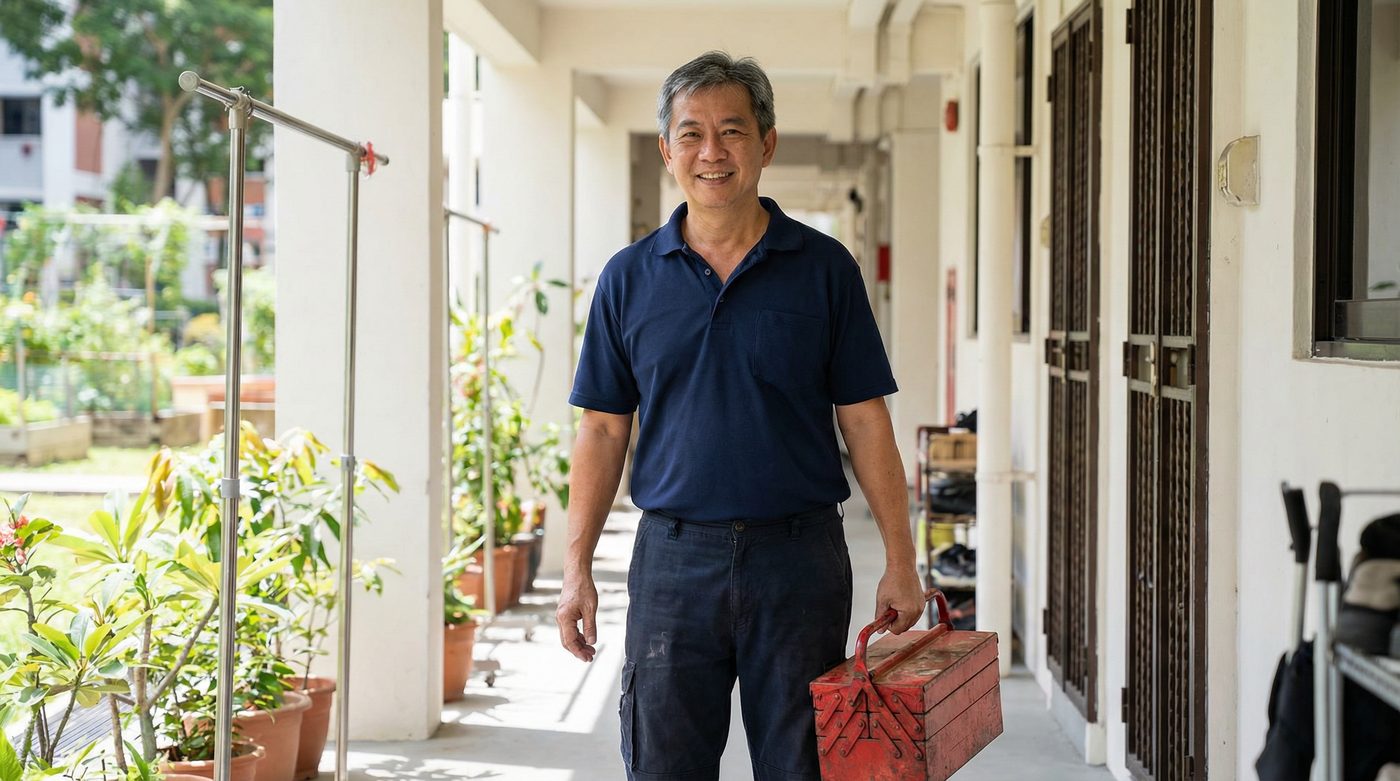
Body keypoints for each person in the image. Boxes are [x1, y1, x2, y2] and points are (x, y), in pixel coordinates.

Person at [556, 50, 924, 781]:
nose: (711, 152)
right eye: (690, 134)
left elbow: (864, 418)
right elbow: (602, 427)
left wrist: (902, 560)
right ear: (667, 150)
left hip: (800, 562)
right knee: (663, 765)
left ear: (767, 143)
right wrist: (576, 569)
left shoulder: (825, 271)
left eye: (732, 131)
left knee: (803, 765)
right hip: (671, 563)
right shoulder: (628, 278)